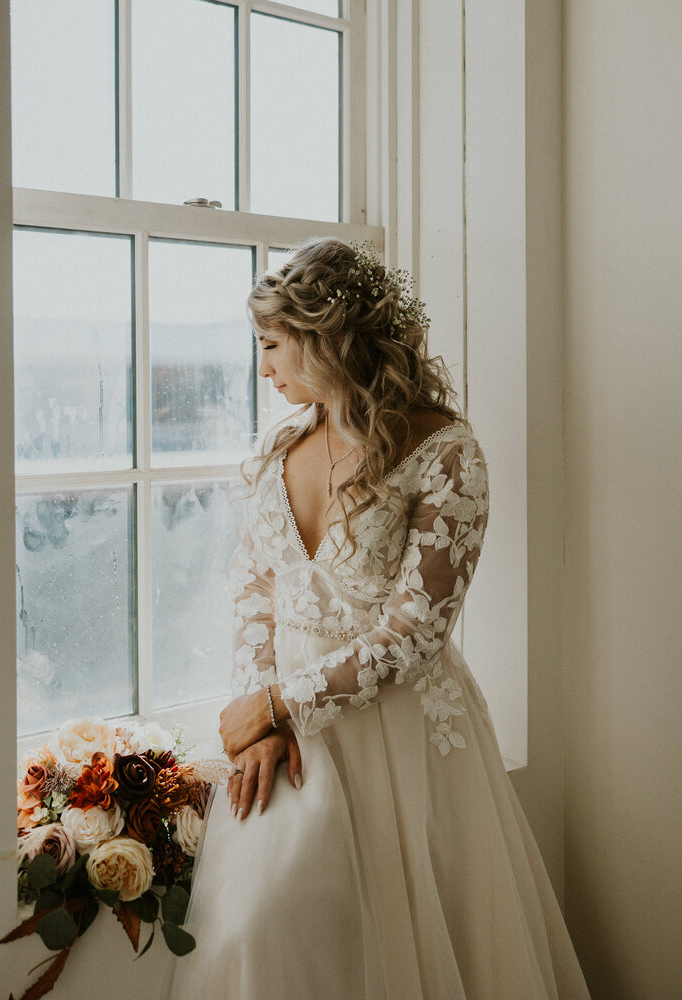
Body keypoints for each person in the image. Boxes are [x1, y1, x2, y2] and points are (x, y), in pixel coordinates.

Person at [161, 237, 591, 999]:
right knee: (262, 928)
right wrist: (262, 719)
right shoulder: (276, 448)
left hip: (405, 739)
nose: (263, 370)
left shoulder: (445, 450)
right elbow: (254, 590)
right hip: (287, 745)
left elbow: (417, 631)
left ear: (325, 337)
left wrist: (277, 704)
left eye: (271, 346)